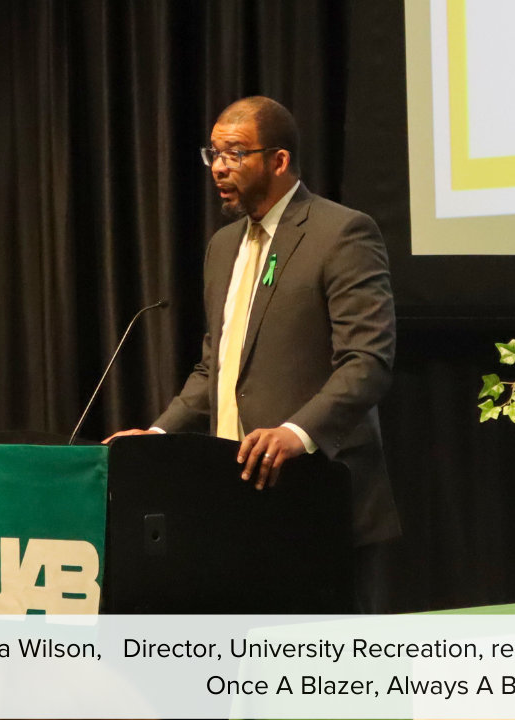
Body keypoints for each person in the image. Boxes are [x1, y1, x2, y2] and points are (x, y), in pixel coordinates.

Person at [105, 97, 400, 589]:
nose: (219, 167)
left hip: (316, 495)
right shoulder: (223, 246)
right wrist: (157, 436)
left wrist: (296, 432)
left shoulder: (341, 233)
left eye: (235, 154)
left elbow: (367, 361)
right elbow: (215, 369)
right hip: (233, 502)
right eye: (214, 153)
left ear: (279, 161)